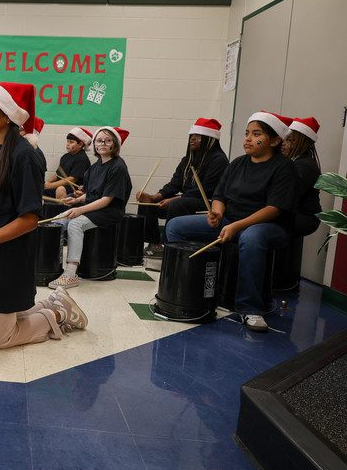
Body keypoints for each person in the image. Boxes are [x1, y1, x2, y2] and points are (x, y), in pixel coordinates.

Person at [0, 82, 87, 350]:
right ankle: (52, 302)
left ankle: (58, 314)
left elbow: (29, 220)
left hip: (7, 256)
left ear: (8, 114)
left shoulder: (26, 155)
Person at [165, 111, 299, 332]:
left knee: (251, 237)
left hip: (270, 226)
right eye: (247, 133)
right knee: (176, 226)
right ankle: (190, 291)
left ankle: (251, 308)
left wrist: (237, 226)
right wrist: (216, 213)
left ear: (275, 141)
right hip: (230, 220)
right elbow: (219, 196)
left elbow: (274, 209)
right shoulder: (237, 163)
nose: (247, 138)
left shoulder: (284, 168)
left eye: (256, 134)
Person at [48, 126, 132, 288]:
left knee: (75, 224)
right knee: (58, 221)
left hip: (108, 211)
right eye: (99, 140)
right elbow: (92, 194)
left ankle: (71, 274)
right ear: (93, 144)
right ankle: (51, 266)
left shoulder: (118, 167)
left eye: (108, 141)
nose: (102, 144)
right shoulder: (95, 166)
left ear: (115, 144)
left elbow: (106, 199)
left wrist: (80, 210)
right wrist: (77, 200)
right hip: (93, 207)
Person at [136, 118, 229, 257]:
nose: (192, 138)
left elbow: (205, 190)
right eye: (191, 135)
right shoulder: (187, 159)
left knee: (178, 204)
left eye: (197, 136)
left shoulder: (219, 160)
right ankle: (154, 244)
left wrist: (175, 199)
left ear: (209, 139)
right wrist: (155, 197)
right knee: (147, 203)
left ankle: (168, 248)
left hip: (207, 203)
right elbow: (175, 183)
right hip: (186, 200)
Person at [282, 117, 321, 236]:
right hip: (293, 212)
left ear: (302, 143)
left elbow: (287, 195)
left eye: (289, 141)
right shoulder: (294, 161)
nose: (283, 144)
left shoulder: (305, 165)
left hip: (304, 217)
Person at [43, 127, 92, 200]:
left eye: (71, 142)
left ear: (80, 144)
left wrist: (51, 185)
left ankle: (62, 210)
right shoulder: (65, 157)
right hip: (61, 185)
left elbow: (73, 179)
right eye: (67, 141)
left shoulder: (82, 158)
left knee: (60, 189)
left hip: (75, 189)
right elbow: (58, 175)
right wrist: (46, 182)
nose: (68, 144)